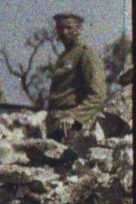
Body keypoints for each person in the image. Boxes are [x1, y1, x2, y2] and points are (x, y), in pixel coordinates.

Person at [44, 12, 106, 140]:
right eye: (60, 28)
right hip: (56, 124)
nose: (64, 32)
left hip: (72, 125)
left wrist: (75, 116)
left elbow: (98, 95)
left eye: (69, 28)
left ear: (78, 29)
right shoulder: (64, 56)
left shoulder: (86, 53)